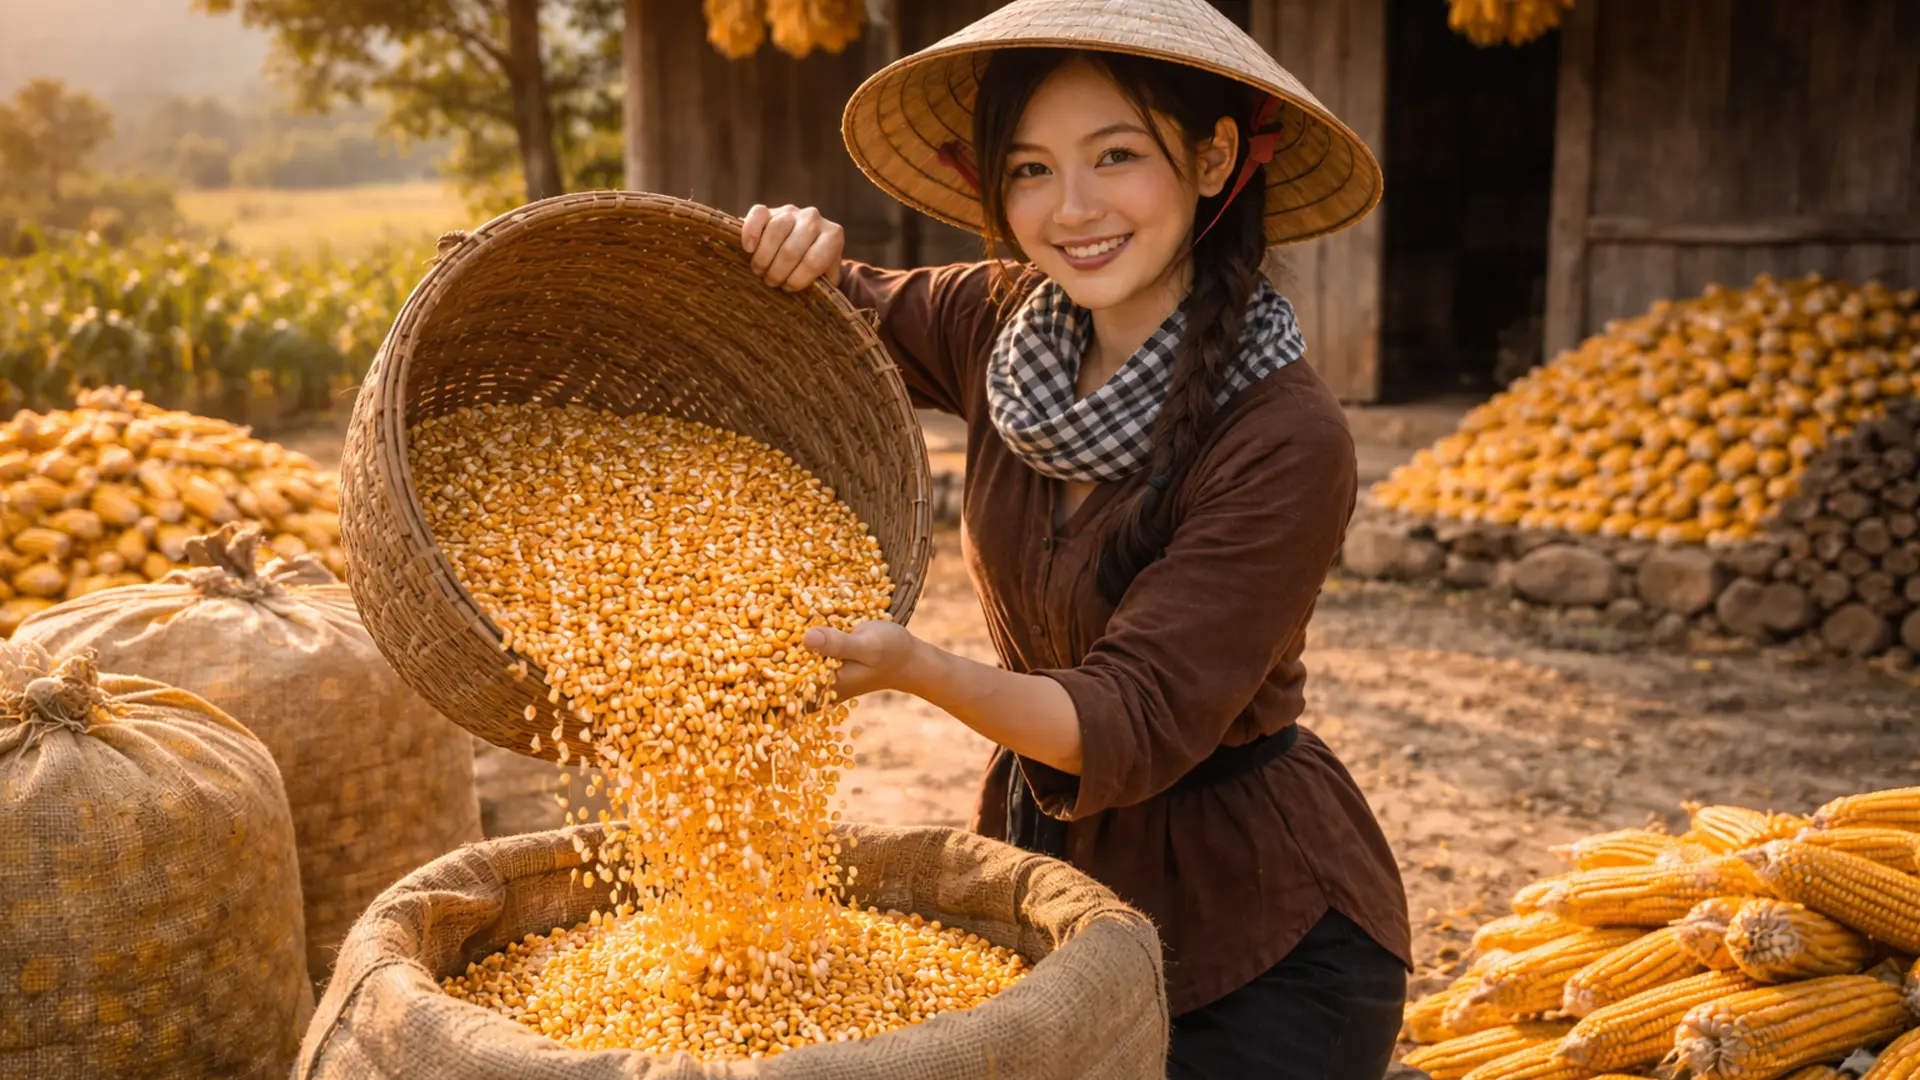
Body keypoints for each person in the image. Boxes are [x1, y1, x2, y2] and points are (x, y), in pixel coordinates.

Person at [739, 1, 1410, 1075]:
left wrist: (913, 667)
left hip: (1260, 945)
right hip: (1051, 888)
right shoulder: (1000, 323)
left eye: (1116, 156)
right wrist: (784, 244)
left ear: (1212, 157)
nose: (1073, 209)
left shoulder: (1285, 435)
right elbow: (812, 317)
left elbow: (1125, 717)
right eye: (1030, 170)